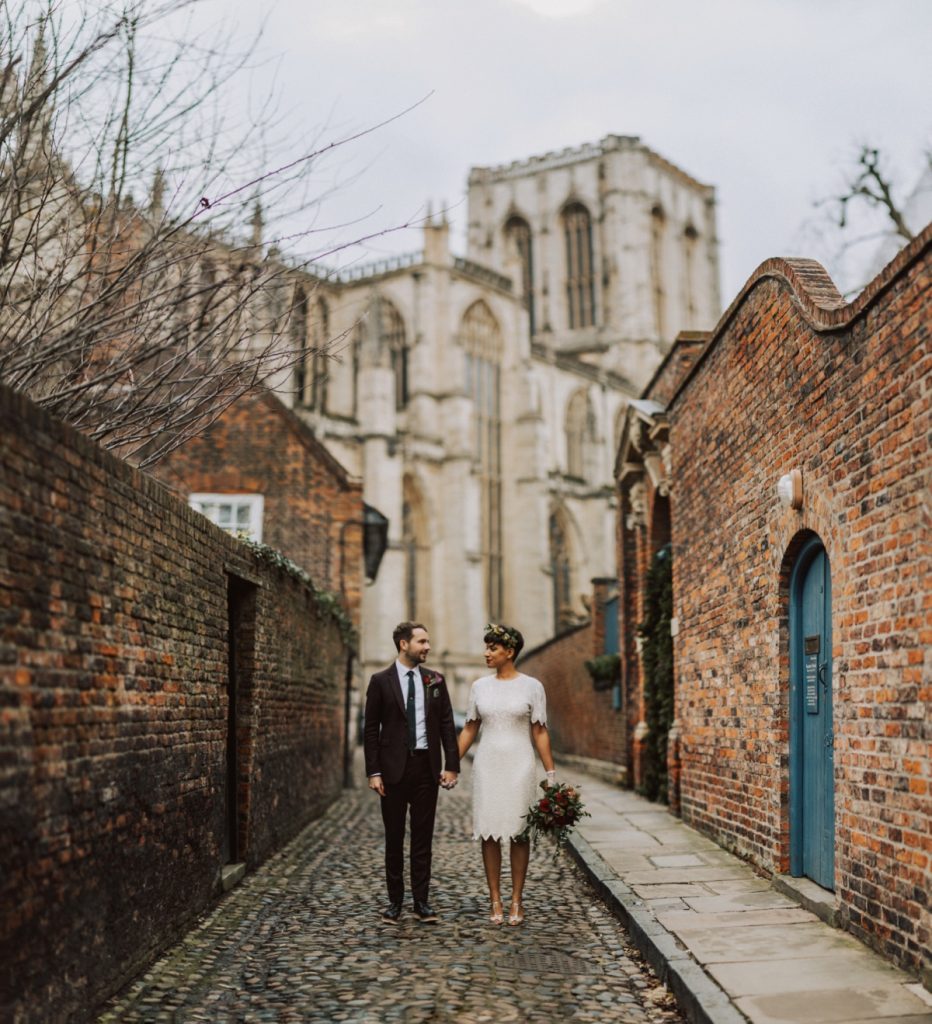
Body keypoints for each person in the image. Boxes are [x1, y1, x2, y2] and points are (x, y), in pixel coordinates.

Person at [457, 623, 555, 927]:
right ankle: (495, 898)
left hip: (520, 764)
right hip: (487, 764)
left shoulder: (532, 686)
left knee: (519, 832)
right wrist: (449, 763)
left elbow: (539, 731)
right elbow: (470, 728)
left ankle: (516, 899)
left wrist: (549, 771)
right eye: (486, 647)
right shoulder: (479, 687)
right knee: (488, 831)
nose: (486, 653)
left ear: (509, 652)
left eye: (492, 648)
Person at [364, 621, 460, 924]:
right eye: (421, 642)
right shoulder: (380, 681)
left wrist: (452, 765)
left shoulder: (435, 681)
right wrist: (373, 771)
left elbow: (446, 724)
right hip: (392, 771)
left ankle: (421, 901)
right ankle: (395, 902)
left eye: (428, 641)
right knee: (394, 838)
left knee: (423, 838)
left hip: (425, 768)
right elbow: (370, 730)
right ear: (403, 644)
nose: (427, 647)